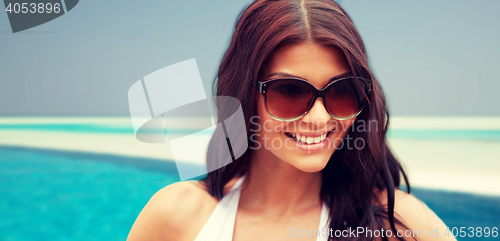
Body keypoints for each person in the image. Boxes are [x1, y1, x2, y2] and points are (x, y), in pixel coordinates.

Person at [127, 0, 455, 240]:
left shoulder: (399, 224)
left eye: (343, 91)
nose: (319, 117)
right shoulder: (176, 217)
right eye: (290, 91)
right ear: (244, 94)